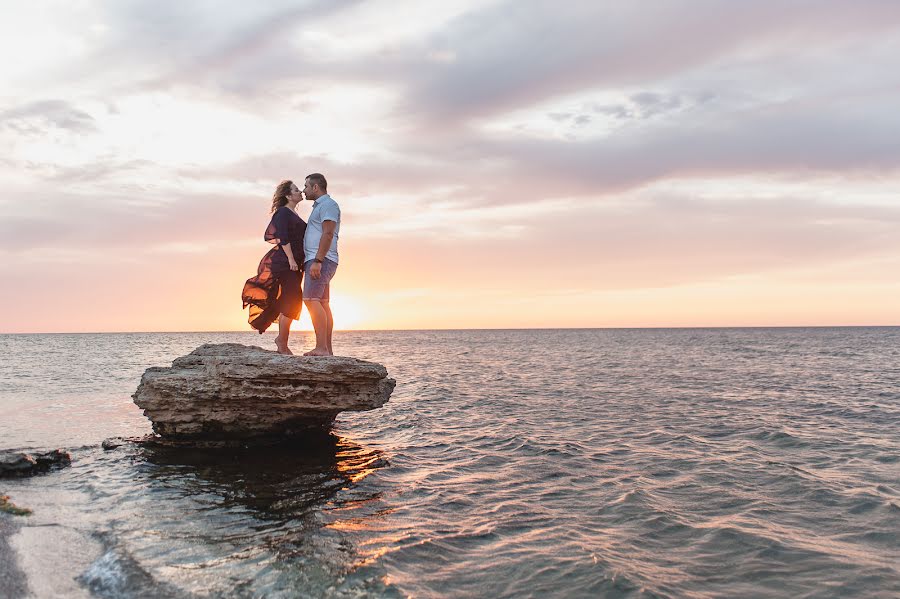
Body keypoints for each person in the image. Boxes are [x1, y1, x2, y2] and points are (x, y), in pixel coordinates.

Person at [241, 180, 306, 354]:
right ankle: (282, 342)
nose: (300, 192)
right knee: (292, 300)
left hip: (295, 264)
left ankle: (282, 340)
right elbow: (283, 237)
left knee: (290, 299)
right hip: (286, 263)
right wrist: (291, 259)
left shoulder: (292, 213)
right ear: (288, 195)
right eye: (296, 190)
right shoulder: (283, 213)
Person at [301, 173, 340, 356]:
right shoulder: (320, 206)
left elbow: (328, 233)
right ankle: (327, 349)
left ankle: (321, 348)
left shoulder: (328, 205)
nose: (304, 190)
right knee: (322, 303)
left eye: (306, 186)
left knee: (311, 300)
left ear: (316, 187)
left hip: (320, 260)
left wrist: (318, 260)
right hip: (319, 259)